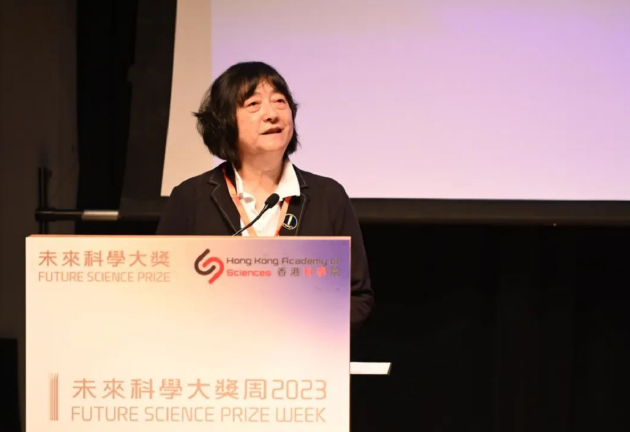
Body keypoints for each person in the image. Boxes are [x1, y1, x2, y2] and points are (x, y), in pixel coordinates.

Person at [156, 61, 373, 334]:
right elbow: (162, 289)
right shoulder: (191, 198)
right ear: (224, 120)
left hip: (303, 352)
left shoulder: (328, 196)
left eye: (280, 101)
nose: (272, 114)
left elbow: (357, 297)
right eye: (253, 104)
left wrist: (306, 331)